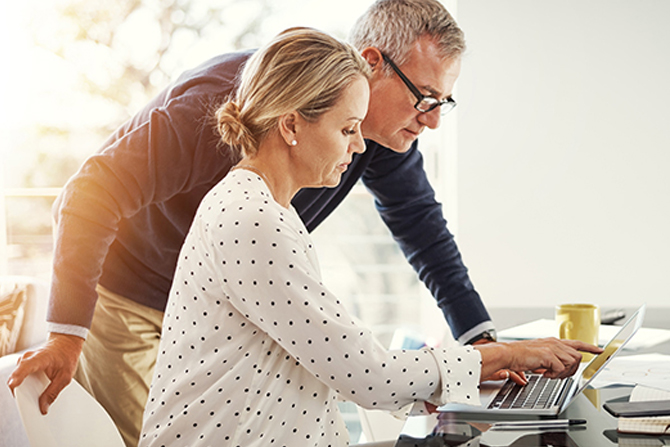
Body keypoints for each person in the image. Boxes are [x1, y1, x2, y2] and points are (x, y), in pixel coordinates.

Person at [10, 1, 502, 445]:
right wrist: (66, 332)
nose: (433, 120)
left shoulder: (381, 138)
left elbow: (423, 228)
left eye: (443, 103)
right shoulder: (227, 106)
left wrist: (480, 342)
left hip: (229, 305)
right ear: (373, 61)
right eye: (426, 97)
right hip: (133, 290)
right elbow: (88, 194)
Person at [137, 27, 600, 447]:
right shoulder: (252, 221)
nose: (359, 147)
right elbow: (366, 373)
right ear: (292, 124)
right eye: (347, 129)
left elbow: (339, 360)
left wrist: (460, 374)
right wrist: (495, 356)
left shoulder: (264, 207)